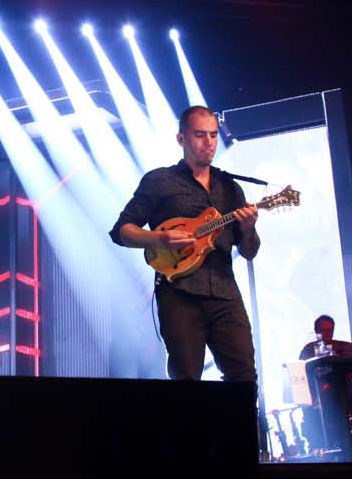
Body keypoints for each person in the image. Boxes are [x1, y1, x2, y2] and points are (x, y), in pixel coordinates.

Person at [111, 105, 260, 382]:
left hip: (225, 294)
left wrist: (248, 228)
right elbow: (121, 231)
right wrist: (159, 238)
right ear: (181, 139)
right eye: (200, 135)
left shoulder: (230, 188)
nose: (209, 142)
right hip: (179, 293)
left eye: (213, 135)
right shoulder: (160, 181)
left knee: (244, 377)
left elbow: (248, 251)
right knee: (186, 379)